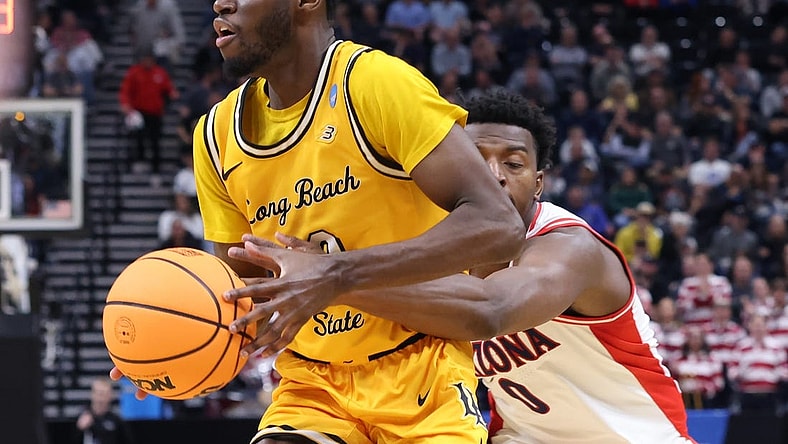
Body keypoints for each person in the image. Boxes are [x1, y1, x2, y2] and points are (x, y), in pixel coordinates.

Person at [113, 0, 525, 442]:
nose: (220, 3)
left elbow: (498, 225)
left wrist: (337, 271)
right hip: (313, 386)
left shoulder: (374, 84)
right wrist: (168, 339)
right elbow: (246, 299)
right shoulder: (214, 137)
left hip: (422, 370)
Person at [227, 90, 694, 442]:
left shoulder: (570, 248)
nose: (494, 174)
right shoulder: (436, 249)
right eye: (477, 161)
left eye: (513, 163)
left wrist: (328, 276)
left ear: (538, 182)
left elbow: (491, 309)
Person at [73, 378, 134, 444]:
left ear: (110, 396)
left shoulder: (116, 420)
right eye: (99, 393)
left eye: (105, 394)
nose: (101, 398)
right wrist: (79, 429)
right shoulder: (82, 417)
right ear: (92, 394)